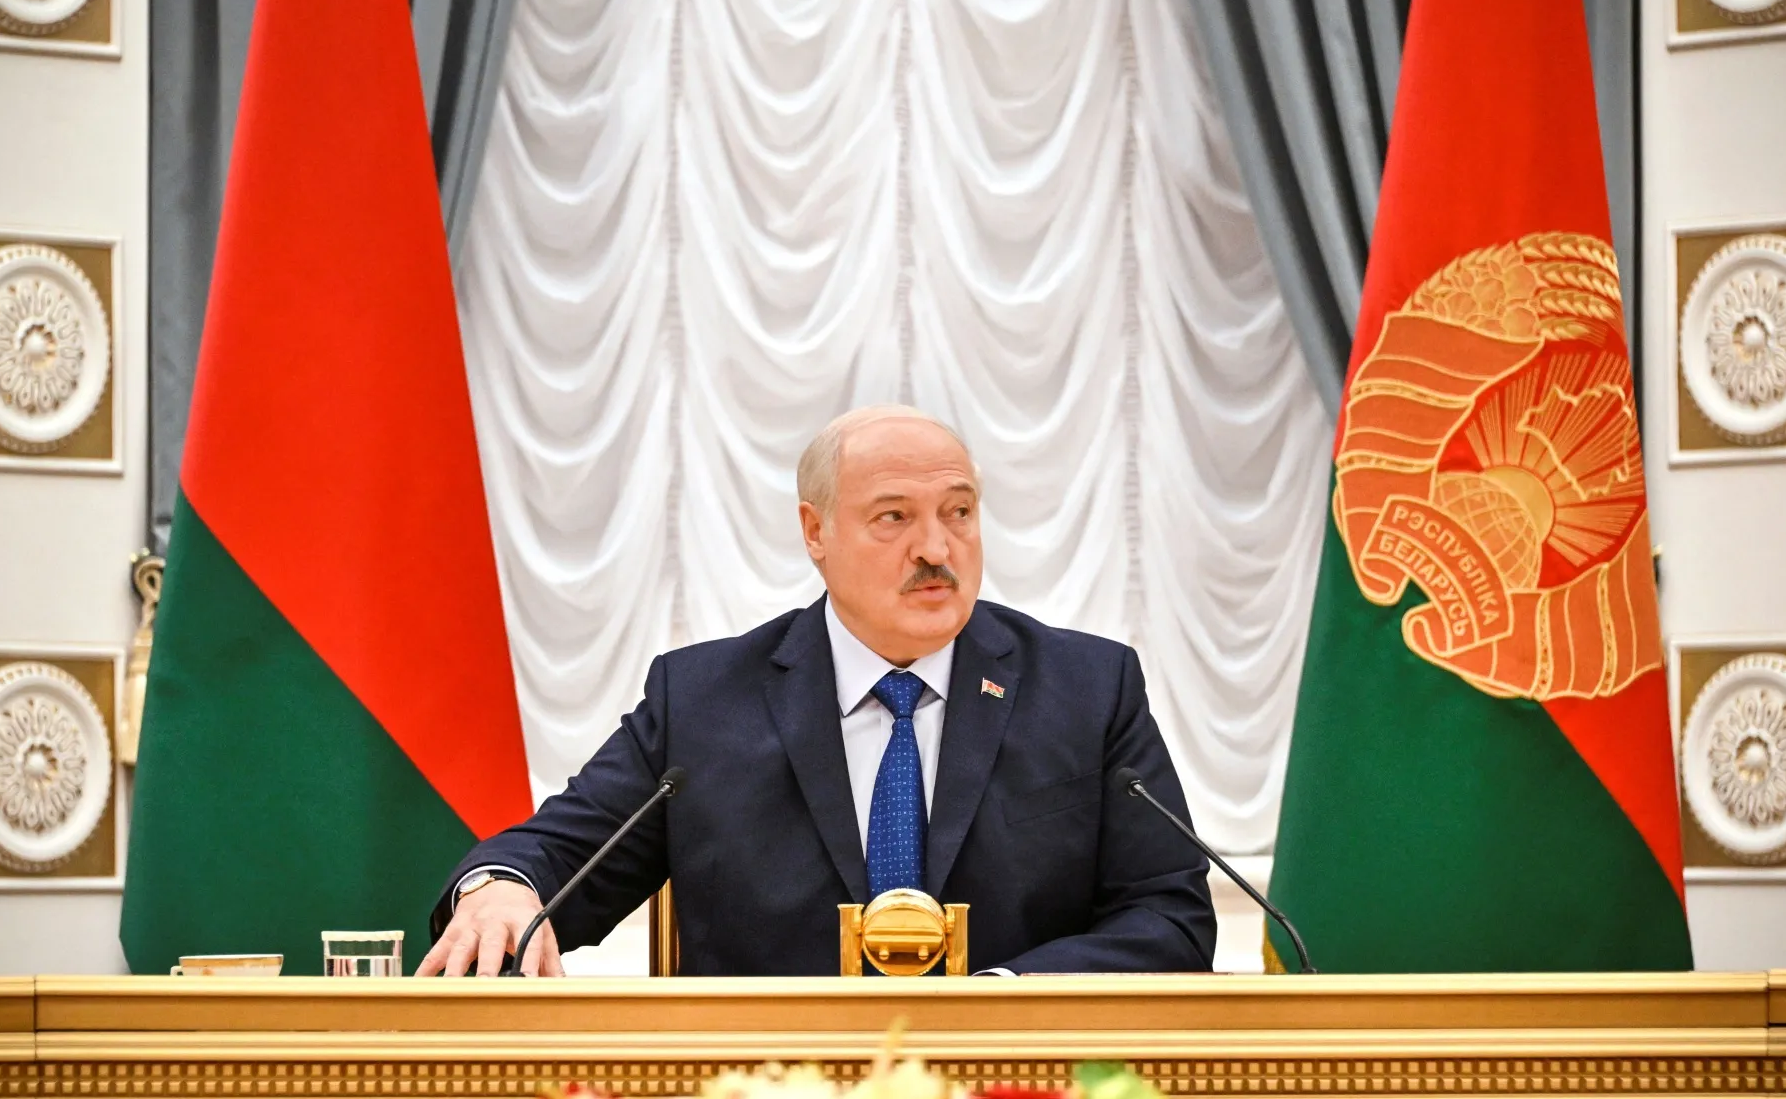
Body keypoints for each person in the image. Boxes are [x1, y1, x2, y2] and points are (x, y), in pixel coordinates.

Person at [419, 406, 1215, 976]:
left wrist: (1000, 1007)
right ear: (815, 531)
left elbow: (1169, 917)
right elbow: (557, 853)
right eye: (893, 517)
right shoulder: (702, 702)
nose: (936, 548)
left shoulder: (1086, 688)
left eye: (959, 513)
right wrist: (501, 891)